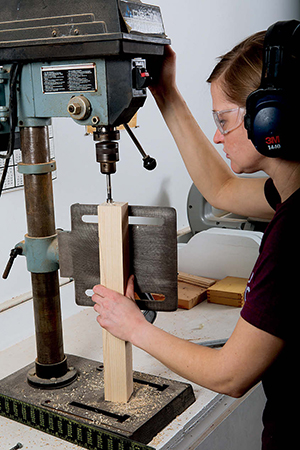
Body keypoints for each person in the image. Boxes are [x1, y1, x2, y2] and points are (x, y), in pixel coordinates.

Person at [92, 29, 300, 450]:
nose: (219, 137)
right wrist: (164, 90)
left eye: (223, 120)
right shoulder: (290, 190)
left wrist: (134, 327)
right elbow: (220, 190)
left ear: (269, 118)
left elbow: (230, 374)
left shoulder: (295, 234)